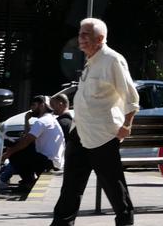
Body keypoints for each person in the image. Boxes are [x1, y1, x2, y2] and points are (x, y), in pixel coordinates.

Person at [50, 17, 140, 226]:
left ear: (100, 38)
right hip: (80, 131)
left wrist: (127, 125)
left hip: (102, 134)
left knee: (113, 186)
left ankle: (125, 221)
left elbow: (131, 97)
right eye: (80, 33)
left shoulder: (112, 59)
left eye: (85, 35)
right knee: (71, 185)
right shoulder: (91, 60)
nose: (80, 39)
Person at [1, 95, 64, 191]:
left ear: (42, 105)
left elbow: (25, 142)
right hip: (53, 161)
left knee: (15, 153)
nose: (31, 109)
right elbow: (27, 137)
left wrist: (7, 154)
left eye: (34, 105)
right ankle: (30, 181)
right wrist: (26, 120)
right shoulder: (49, 119)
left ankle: (29, 182)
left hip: (49, 163)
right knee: (17, 146)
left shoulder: (42, 122)